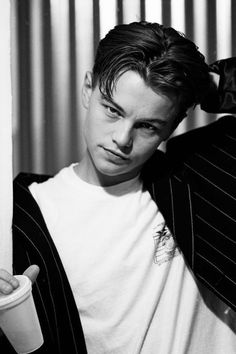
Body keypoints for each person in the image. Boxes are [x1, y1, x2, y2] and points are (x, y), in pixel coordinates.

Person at [0, 21, 235, 353]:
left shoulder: (198, 182)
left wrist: (211, 83)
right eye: (112, 110)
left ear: (172, 126)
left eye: (147, 126)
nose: (122, 139)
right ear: (87, 89)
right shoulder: (20, 218)